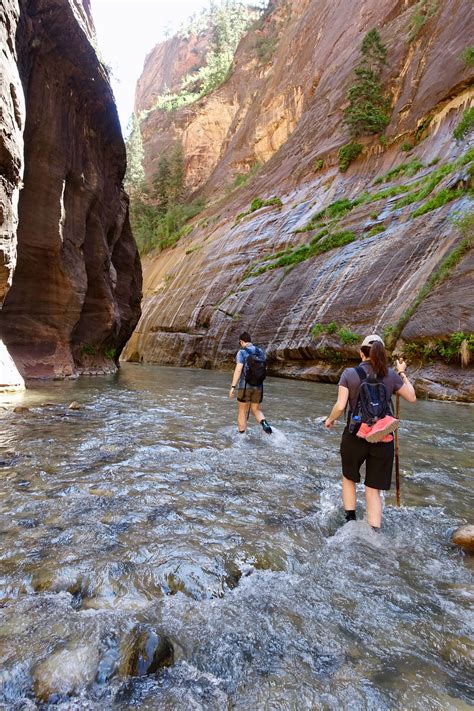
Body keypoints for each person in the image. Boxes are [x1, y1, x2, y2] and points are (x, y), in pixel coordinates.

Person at [324, 334, 416, 530]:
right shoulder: (390, 374)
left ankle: (350, 521)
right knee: (372, 488)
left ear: (361, 353)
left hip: (355, 434)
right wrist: (402, 373)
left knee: (349, 477)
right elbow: (412, 397)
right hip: (383, 436)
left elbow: (341, 406)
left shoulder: (349, 373)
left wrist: (330, 420)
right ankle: (373, 533)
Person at [229, 332, 272, 434]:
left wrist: (233, 387)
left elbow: (238, 370)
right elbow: (265, 368)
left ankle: (241, 435)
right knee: (256, 409)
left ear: (241, 341)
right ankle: (265, 425)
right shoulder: (260, 351)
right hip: (258, 385)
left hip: (245, 385)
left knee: (242, 410)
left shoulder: (242, 352)